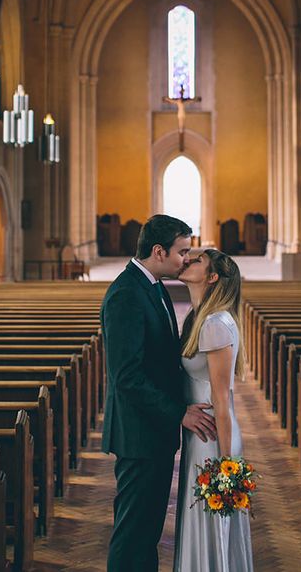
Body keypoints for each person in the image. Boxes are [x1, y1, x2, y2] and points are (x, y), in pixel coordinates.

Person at [101, 214, 218, 572]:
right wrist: (180, 412)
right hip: (139, 435)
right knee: (134, 531)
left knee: (147, 530)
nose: (186, 258)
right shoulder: (126, 294)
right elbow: (127, 377)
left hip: (153, 432)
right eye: (182, 251)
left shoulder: (153, 287)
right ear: (158, 250)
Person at [174, 249, 254, 572]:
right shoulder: (199, 319)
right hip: (200, 432)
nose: (187, 261)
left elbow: (221, 401)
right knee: (202, 524)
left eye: (196, 260)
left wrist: (226, 467)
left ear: (212, 278)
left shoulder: (215, 324)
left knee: (213, 524)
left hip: (212, 437)